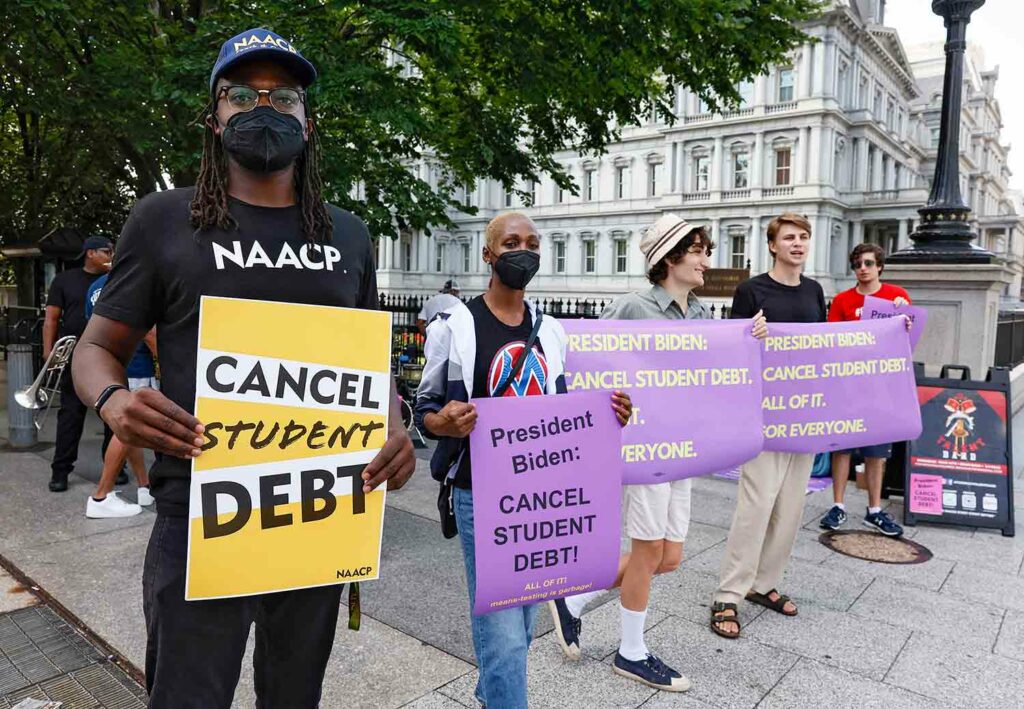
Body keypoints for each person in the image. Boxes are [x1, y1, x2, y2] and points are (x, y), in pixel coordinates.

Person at [71, 28, 414, 707]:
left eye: (282, 96)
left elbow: (375, 369)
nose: (264, 108)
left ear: (308, 122)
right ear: (213, 116)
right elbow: (93, 347)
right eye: (241, 94)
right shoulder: (164, 219)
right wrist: (113, 400)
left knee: (294, 696)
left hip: (316, 519)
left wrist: (395, 430)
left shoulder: (347, 235)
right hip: (197, 518)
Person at [415, 211, 631, 709]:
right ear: (489, 254)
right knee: (505, 631)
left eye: (533, 242)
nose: (525, 250)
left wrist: (609, 413)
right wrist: (442, 422)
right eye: (512, 242)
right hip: (480, 494)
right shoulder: (457, 327)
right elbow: (426, 409)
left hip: (542, 498)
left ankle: (491, 689)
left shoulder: (550, 330)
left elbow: (562, 409)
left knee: (526, 619)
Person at [547, 214, 767, 692]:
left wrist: (750, 341)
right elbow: (586, 356)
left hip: (682, 449)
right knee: (648, 550)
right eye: (699, 251)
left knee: (669, 557)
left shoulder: (700, 316)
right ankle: (631, 652)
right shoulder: (633, 305)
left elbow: (715, 370)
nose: (707, 260)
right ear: (671, 257)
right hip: (644, 448)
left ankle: (575, 599)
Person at [710, 213, 826, 640]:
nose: (798, 243)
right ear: (773, 246)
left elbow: (825, 347)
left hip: (803, 413)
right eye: (789, 238)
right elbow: (733, 349)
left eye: (803, 237)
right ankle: (729, 593)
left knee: (791, 507)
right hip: (763, 413)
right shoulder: (751, 289)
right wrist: (749, 334)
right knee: (756, 506)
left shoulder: (815, 291)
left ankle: (764, 584)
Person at [819, 243, 910, 537]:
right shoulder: (843, 300)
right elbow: (832, 339)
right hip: (847, 383)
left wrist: (904, 321)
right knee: (842, 448)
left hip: (880, 386)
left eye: (869, 263)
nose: (863, 268)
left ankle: (874, 509)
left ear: (879, 266)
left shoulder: (896, 297)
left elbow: (907, 337)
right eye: (858, 263)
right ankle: (838, 505)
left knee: (875, 451)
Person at [83, 273, 158, 518]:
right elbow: (148, 333)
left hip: (112, 366)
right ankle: (101, 496)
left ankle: (144, 486)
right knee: (125, 430)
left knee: (128, 429)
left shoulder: (96, 287)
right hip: (138, 365)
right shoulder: (135, 281)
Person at [44, 235, 113, 492]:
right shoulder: (64, 280)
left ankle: (114, 469)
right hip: (74, 354)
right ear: (90, 253)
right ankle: (60, 471)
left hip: (107, 354)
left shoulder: (114, 279)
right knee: (71, 414)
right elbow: (52, 318)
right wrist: (49, 351)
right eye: (106, 251)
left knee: (110, 412)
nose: (110, 256)